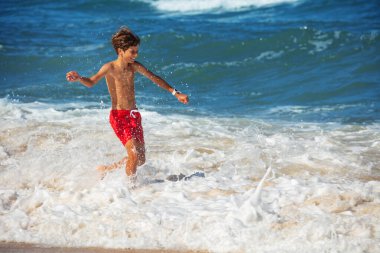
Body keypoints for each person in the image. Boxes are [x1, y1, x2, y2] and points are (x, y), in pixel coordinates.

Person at [66, 27, 189, 183]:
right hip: (119, 117)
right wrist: (79, 78)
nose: (135, 55)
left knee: (141, 159)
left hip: (133, 116)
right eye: (132, 51)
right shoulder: (109, 67)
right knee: (134, 154)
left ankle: (108, 169)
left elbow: (154, 78)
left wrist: (175, 92)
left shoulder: (134, 66)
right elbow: (91, 82)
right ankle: (130, 189)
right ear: (120, 51)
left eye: (137, 51)